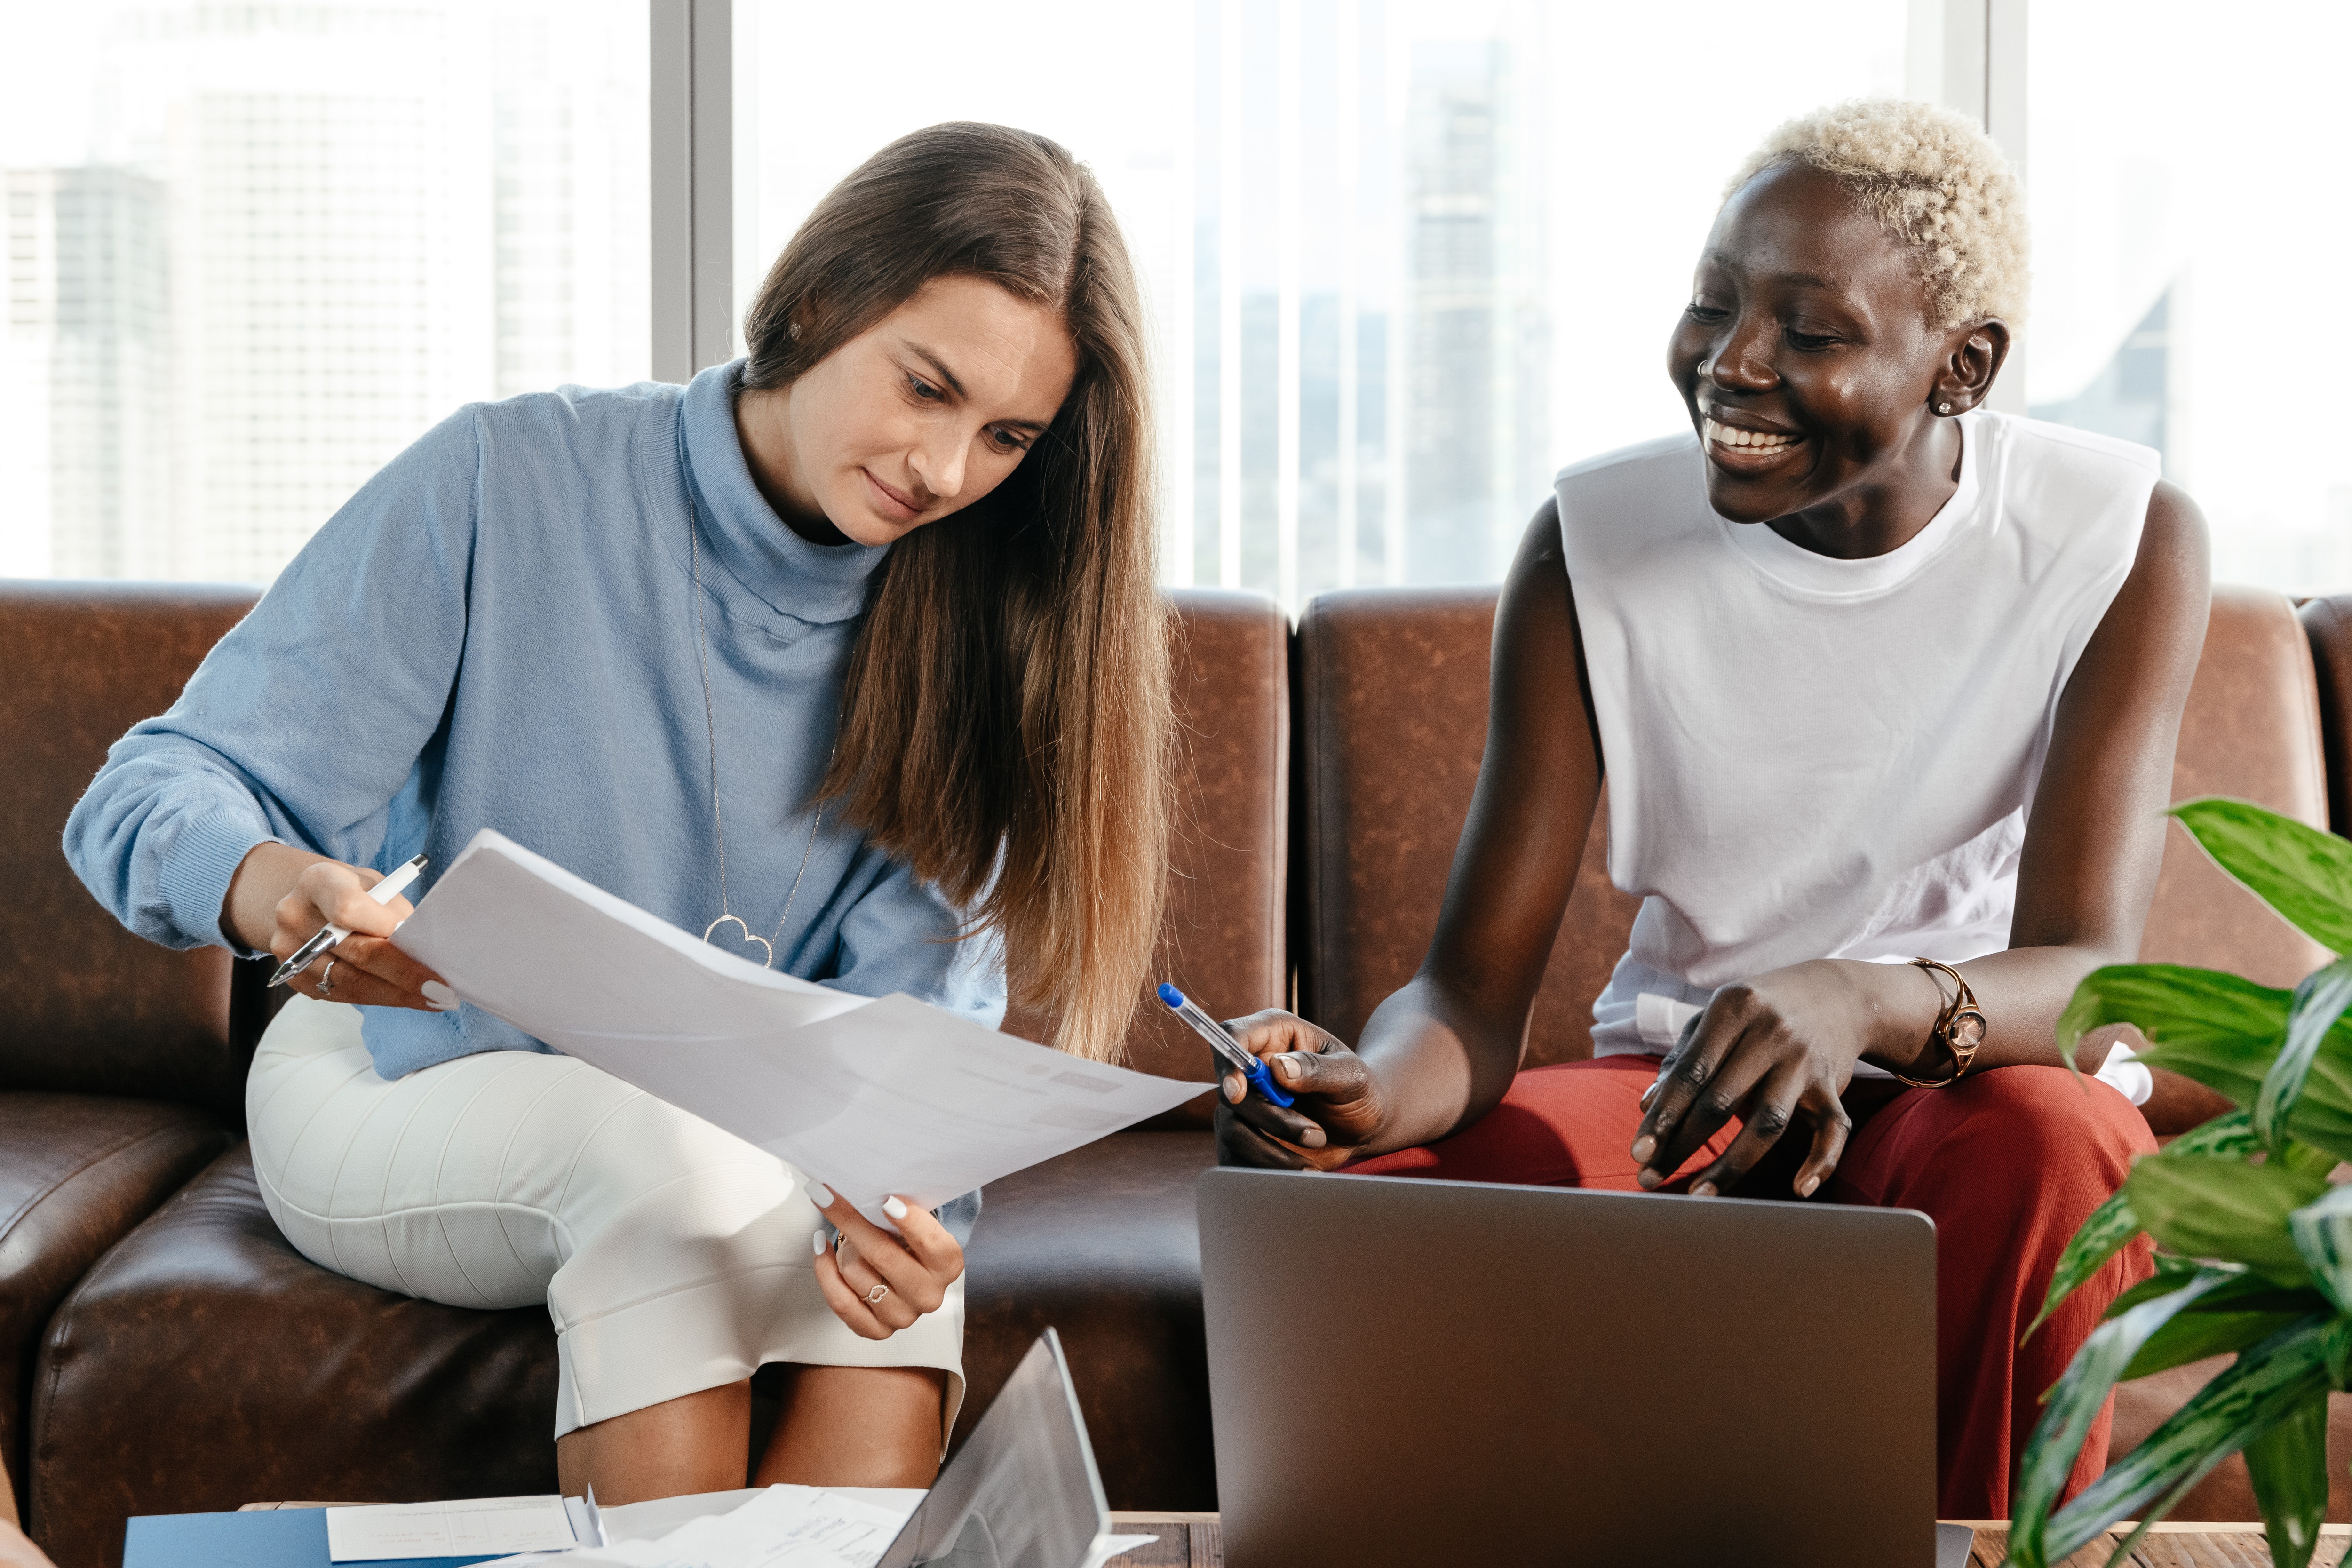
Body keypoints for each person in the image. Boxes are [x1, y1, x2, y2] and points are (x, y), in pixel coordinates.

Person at [64, 122, 1169, 1504]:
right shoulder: (505, 479)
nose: (946, 472)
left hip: (739, 1140)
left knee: (865, 1278)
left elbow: (912, 1038)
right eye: (927, 387)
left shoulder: (980, 619)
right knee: (672, 1171)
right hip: (401, 1077)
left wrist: (910, 1221)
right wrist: (278, 884)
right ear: (820, 300)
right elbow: (150, 792)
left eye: (1006, 436)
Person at [1211, 98, 2207, 1517]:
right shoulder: (1594, 544)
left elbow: (2095, 975)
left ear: (1962, 366)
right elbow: (1467, 1004)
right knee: (1347, 1211)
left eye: (1811, 333)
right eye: (1713, 306)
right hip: (1681, 1100)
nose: (1731, 367)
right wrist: (1367, 1092)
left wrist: (1858, 1001)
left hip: (1956, 1090)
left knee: (2065, 1142)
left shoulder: (2117, 536)